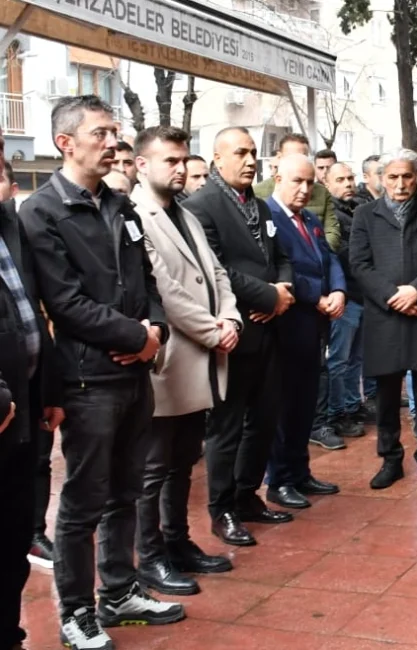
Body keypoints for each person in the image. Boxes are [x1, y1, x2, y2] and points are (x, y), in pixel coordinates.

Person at [22, 95, 180, 650]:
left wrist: (154, 334)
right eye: (102, 131)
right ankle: (76, 611)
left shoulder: (121, 206)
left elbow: (150, 282)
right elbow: (64, 302)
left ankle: (120, 591)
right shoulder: (40, 212)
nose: (114, 141)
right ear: (67, 142)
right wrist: (137, 336)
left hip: (135, 373)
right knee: (84, 501)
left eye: (116, 131)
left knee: (126, 491)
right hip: (88, 379)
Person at [130, 126, 241, 597]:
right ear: (141, 165)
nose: (179, 169)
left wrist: (231, 316)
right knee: (155, 467)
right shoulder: (137, 214)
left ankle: (178, 543)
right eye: (169, 161)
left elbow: (215, 271)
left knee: (182, 462)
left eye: (182, 160)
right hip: (172, 357)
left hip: (204, 354)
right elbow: (164, 290)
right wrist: (214, 329)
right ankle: (150, 557)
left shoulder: (185, 214)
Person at [184, 127, 295, 548]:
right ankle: (222, 509)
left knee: (264, 421)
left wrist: (282, 294)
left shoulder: (261, 207)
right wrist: (267, 295)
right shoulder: (201, 206)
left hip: (270, 330)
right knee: (227, 429)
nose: (251, 161)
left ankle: (248, 496)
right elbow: (215, 268)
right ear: (216, 158)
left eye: (254, 153)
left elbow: (280, 256)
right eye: (241, 153)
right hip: (236, 333)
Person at [0, 125, 62, 650]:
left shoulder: (8, 223)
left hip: (22, 408)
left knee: (13, 537)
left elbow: (32, 312)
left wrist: (49, 390)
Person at [351, 149, 417, 490]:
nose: (400, 184)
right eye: (392, 177)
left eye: (407, 176)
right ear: (381, 179)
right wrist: (395, 297)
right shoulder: (365, 215)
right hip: (384, 315)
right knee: (387, 395)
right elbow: (359, 265)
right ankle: (390, 459)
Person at [264, 153, 346, 508]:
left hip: (314, 327)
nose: (304, 188)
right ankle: (278, 479)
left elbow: (329, 259)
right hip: (287, 326)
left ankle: (300, 472)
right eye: (297, 181)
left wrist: (339, 290)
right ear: (277, 176)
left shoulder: (309, 219)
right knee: (283, 407)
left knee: (304, 404)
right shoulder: (266, 218)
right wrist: (318, 296)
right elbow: (277, 271)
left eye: (310, 182)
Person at [323, 162, 373, 438]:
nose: (348, 183)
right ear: (327, 184)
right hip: (345, 296)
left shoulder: (357, 210)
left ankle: (353, 406)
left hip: (362, 294)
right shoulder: (331, 216)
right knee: (339, 360)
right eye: (340, 179)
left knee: (356, 359)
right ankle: (336, 412)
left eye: (351, 178)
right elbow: (345, 256)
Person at [254, 134, 338, 249]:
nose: (304, 190)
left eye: (303, 156)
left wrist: (319, 255)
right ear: (279, 157)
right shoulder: (258, 193)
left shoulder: (322, 193)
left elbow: (332, 231)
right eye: (292, 156)